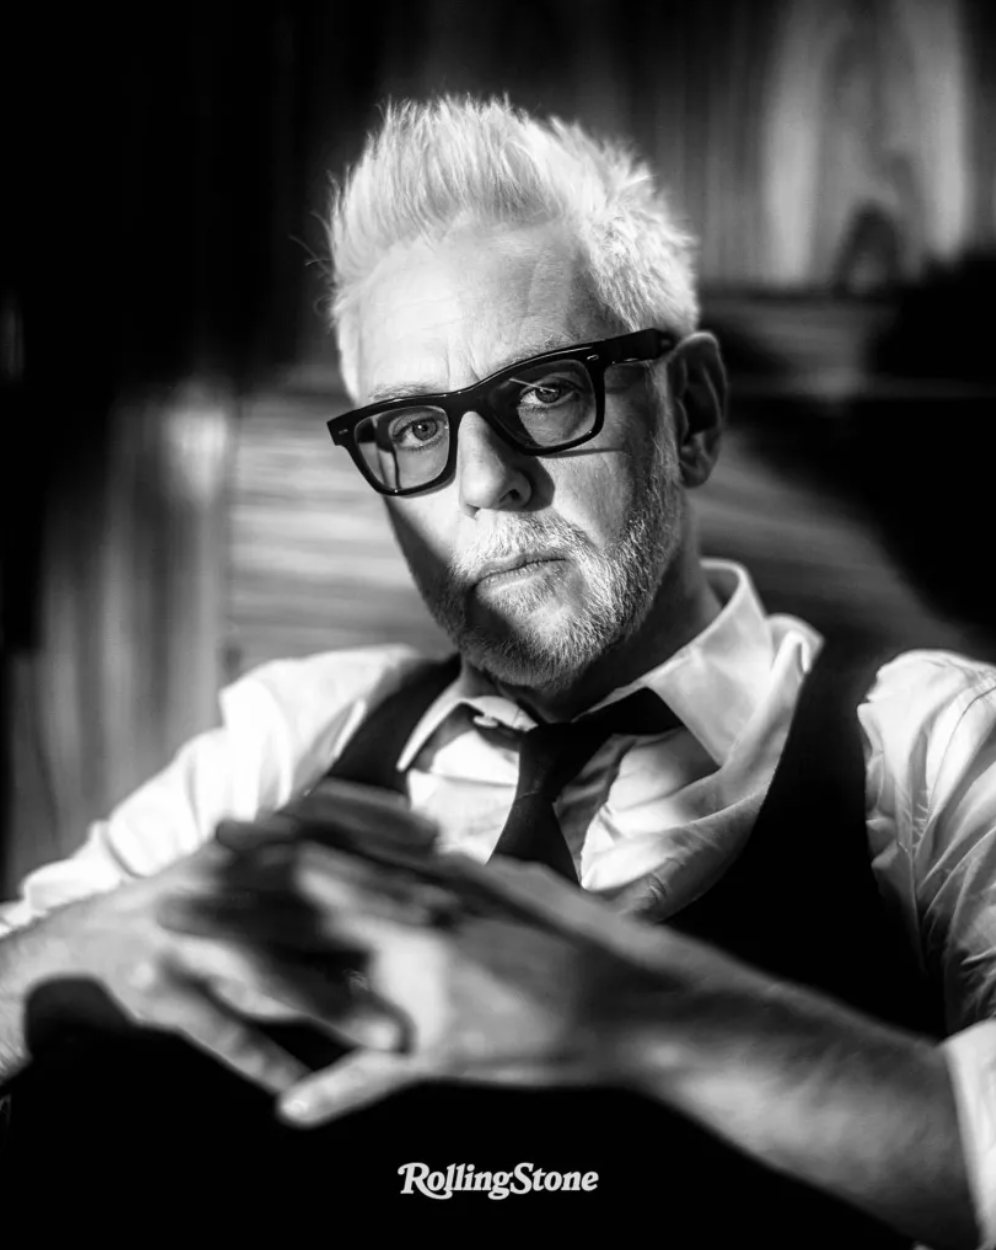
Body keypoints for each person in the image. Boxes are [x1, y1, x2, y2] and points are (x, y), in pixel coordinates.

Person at [0, 96, 992, 1247]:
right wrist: (61, 955)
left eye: (548, 390)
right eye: (415, 429)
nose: (483, 481)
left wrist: (648, 1019)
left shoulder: (936, 747)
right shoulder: (294, 733)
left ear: (692, 411)